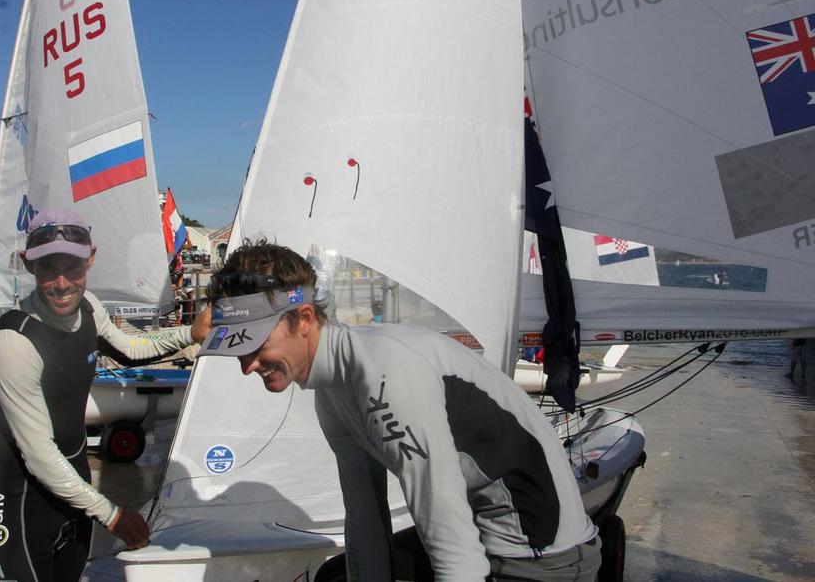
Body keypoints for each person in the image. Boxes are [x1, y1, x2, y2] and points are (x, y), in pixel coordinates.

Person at [199, 239, 600, 581]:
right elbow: (365, 515)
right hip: (481, 531)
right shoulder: (331, 393)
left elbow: (447, 526)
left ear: (304, 319)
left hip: (539, 553)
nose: (247, 364)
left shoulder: (382, 370)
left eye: (255, 345)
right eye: (238, 348)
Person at [0, 208, 210, 582]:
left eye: (73, 267)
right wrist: (111, 514)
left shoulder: (90, 309)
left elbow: (130, 347)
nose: (61, 283)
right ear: (27, 264)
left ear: (91, 258)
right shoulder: (13, 342)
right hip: (21, 497)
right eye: (46, 268)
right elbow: (38, 456)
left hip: (74, 484)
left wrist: (191, 333)